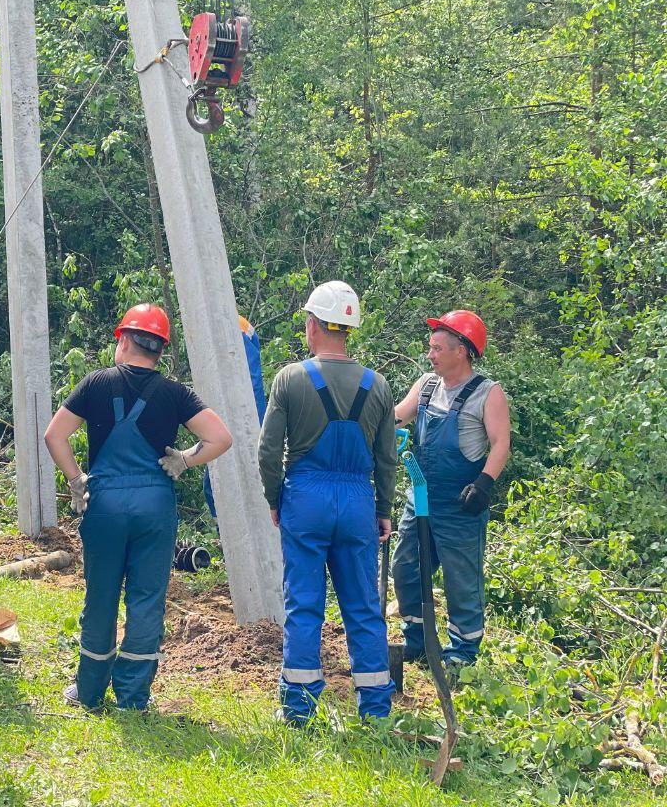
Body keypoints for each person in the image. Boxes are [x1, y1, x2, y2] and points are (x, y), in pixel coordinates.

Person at [43, 303, 233, 710]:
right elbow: (220, 438)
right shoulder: (175, 393)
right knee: (147, 599)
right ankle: (132, 697)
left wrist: (77, 481)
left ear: (124, 340)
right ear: (159, 350)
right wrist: (184, 458)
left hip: (106, 503)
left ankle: (90, 692)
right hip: (155, 504)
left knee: (102, 597)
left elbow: (54, 436)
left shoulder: (95, 384)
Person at [259, 281, 396, 724]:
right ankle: (375, 711)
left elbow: (267, 451)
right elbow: (387, 459)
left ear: (313, 325)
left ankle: (298, 709)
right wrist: (383, 509)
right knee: (363, 607)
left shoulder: (291, 378)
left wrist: (276, 498)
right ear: (349, 328)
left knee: (303, 604)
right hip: (357, 500)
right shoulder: (378, 386)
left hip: (306, 497)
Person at [392, 310, 511, 671]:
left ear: (461, 350)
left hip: (461, 504)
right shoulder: (427, 385)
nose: (431, 355)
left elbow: (501, 443)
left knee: (461, 578)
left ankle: (462, 651)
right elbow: (396, 417)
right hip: (421, 498)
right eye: (431, 348)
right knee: (406, 566)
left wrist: (483, 483)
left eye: (438, 348)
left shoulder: (487, 394)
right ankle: (417, 639)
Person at [203, 313, 266, 519]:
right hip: (237, 421)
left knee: (218, 483)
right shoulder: (235, 324)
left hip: (240, 423)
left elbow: (250, 384)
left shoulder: (230, 326)